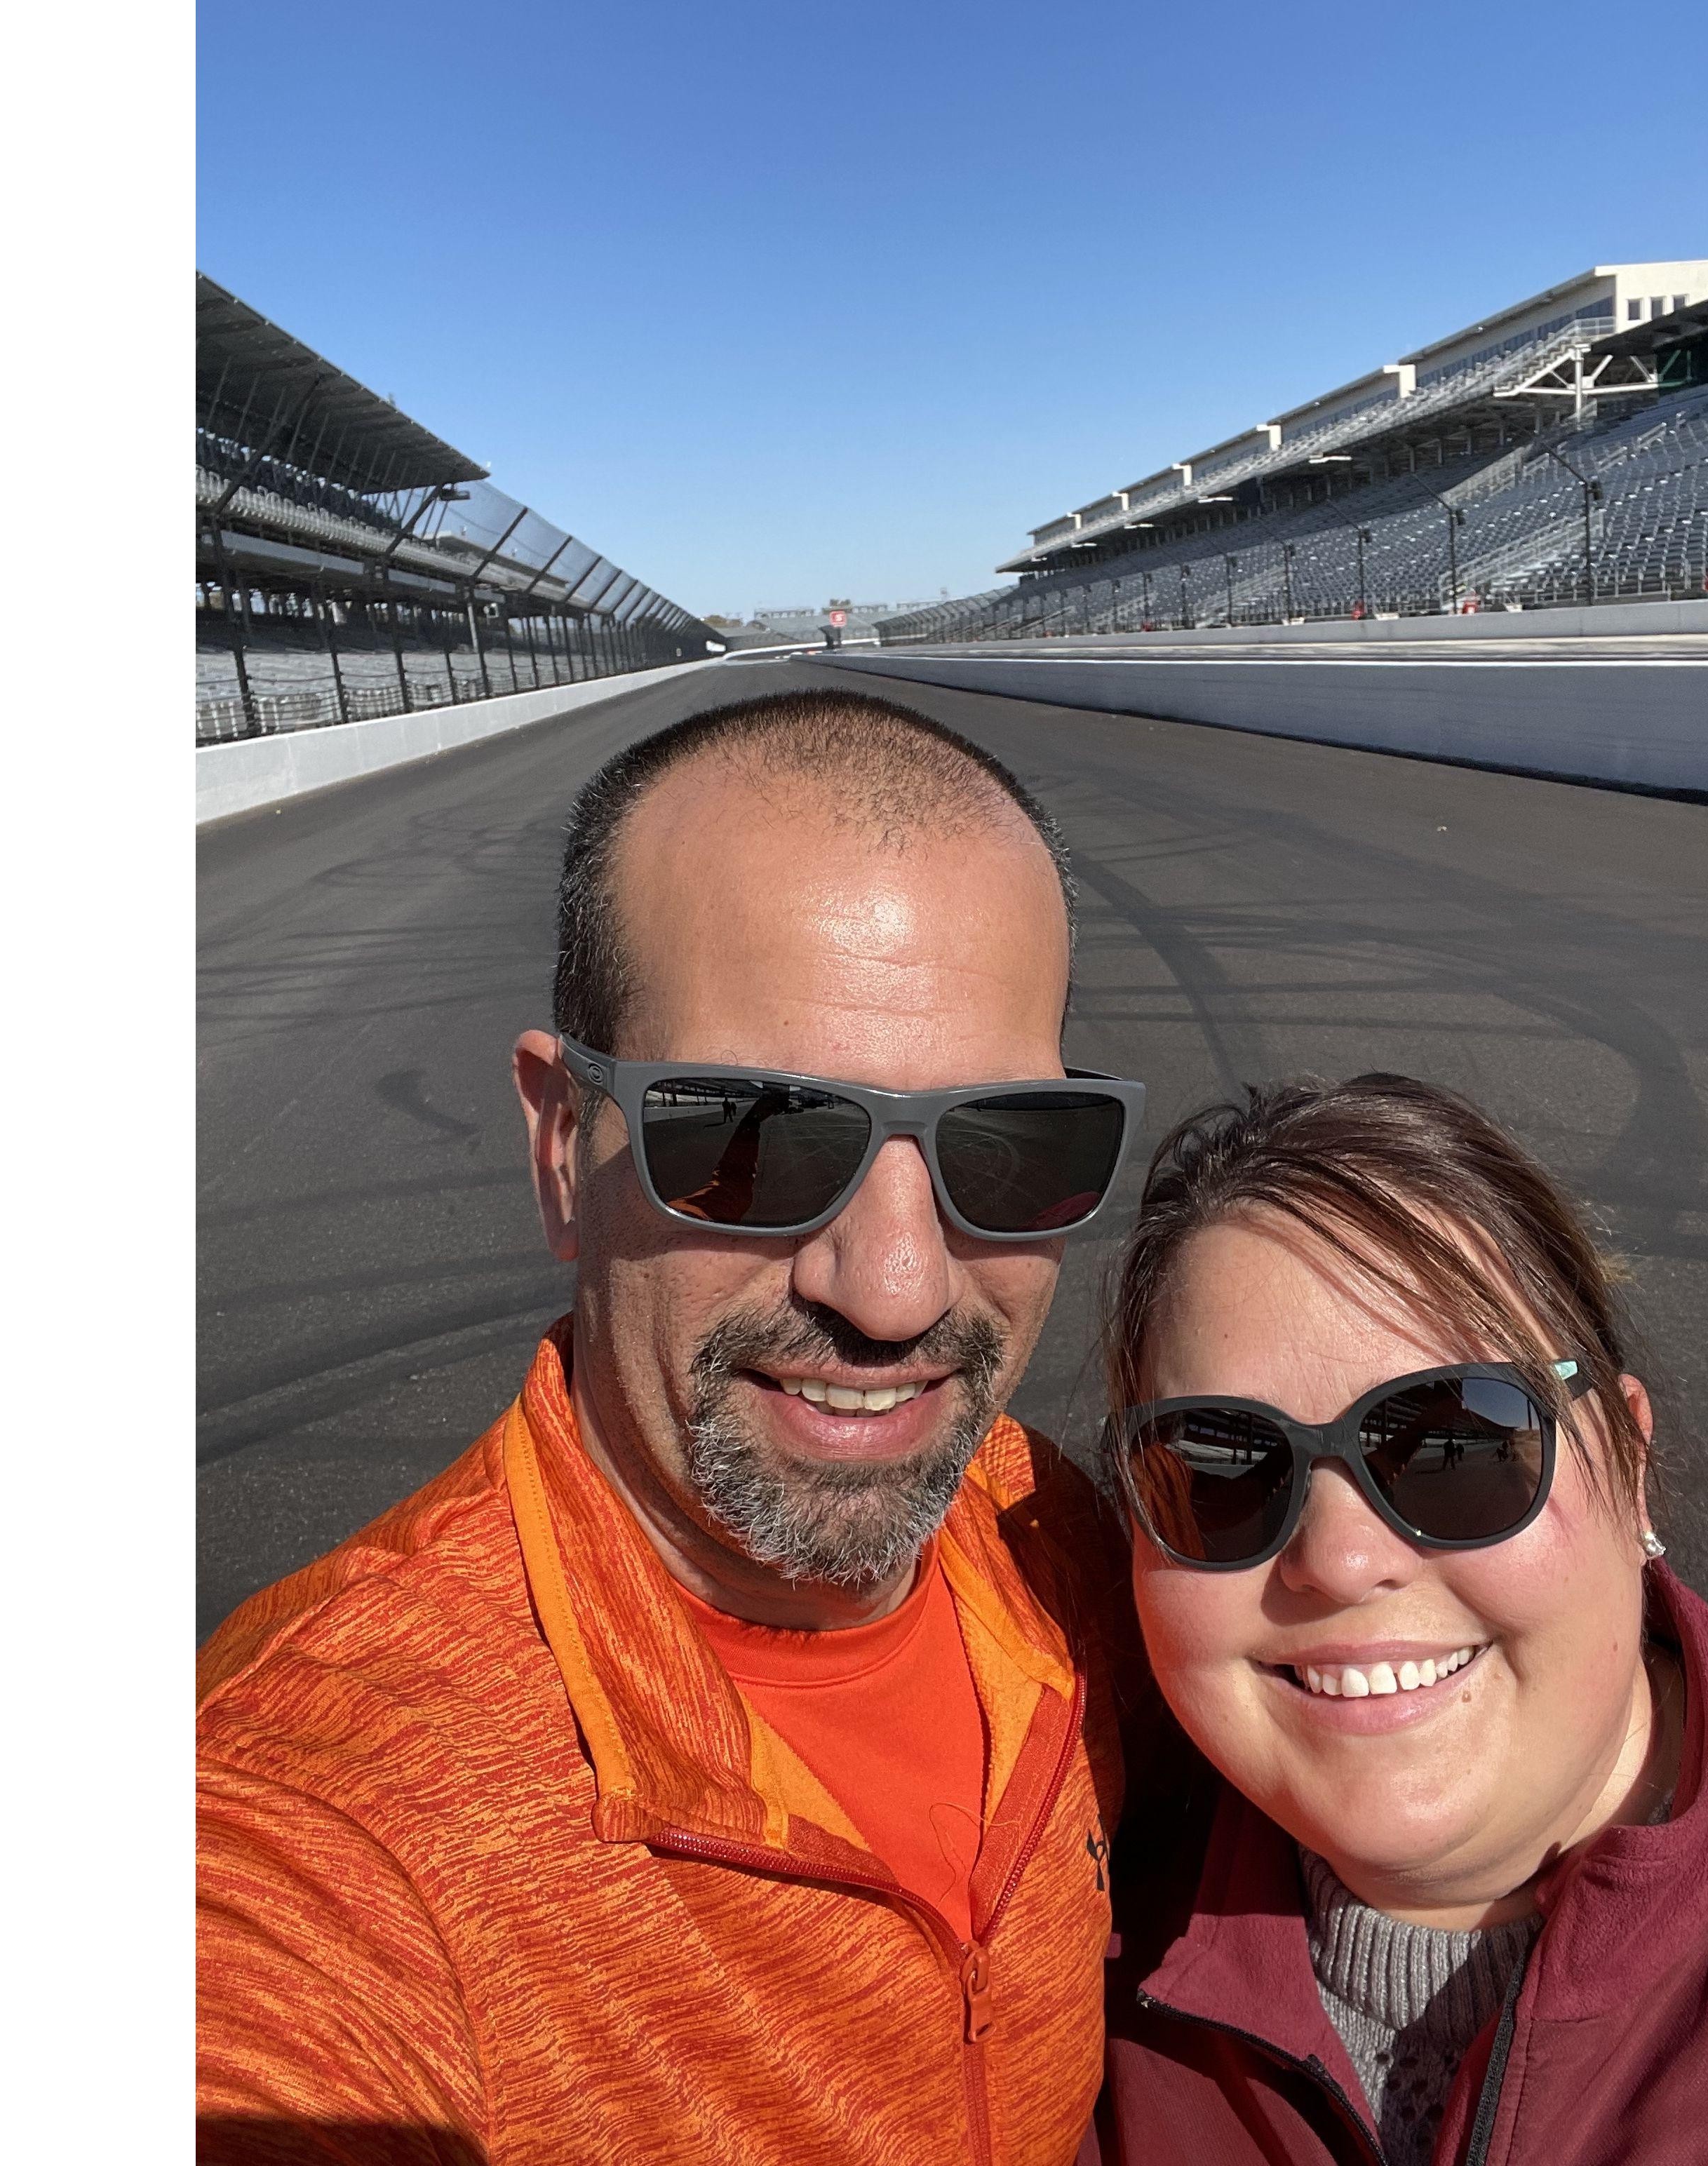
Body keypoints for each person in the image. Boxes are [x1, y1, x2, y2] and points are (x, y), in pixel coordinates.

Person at [198, 690, 1148, 2165]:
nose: (894, 1288)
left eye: (1009, 1147)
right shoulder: (316, 1817)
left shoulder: (1057, 1537)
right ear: (563, 1145)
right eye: (756, 1140)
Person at [1085, 1076, 1708, 2166]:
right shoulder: (1056, 1933)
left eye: (1453, 1445)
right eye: (1223, 1468)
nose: (1338, 1561)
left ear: (1630, 1458)